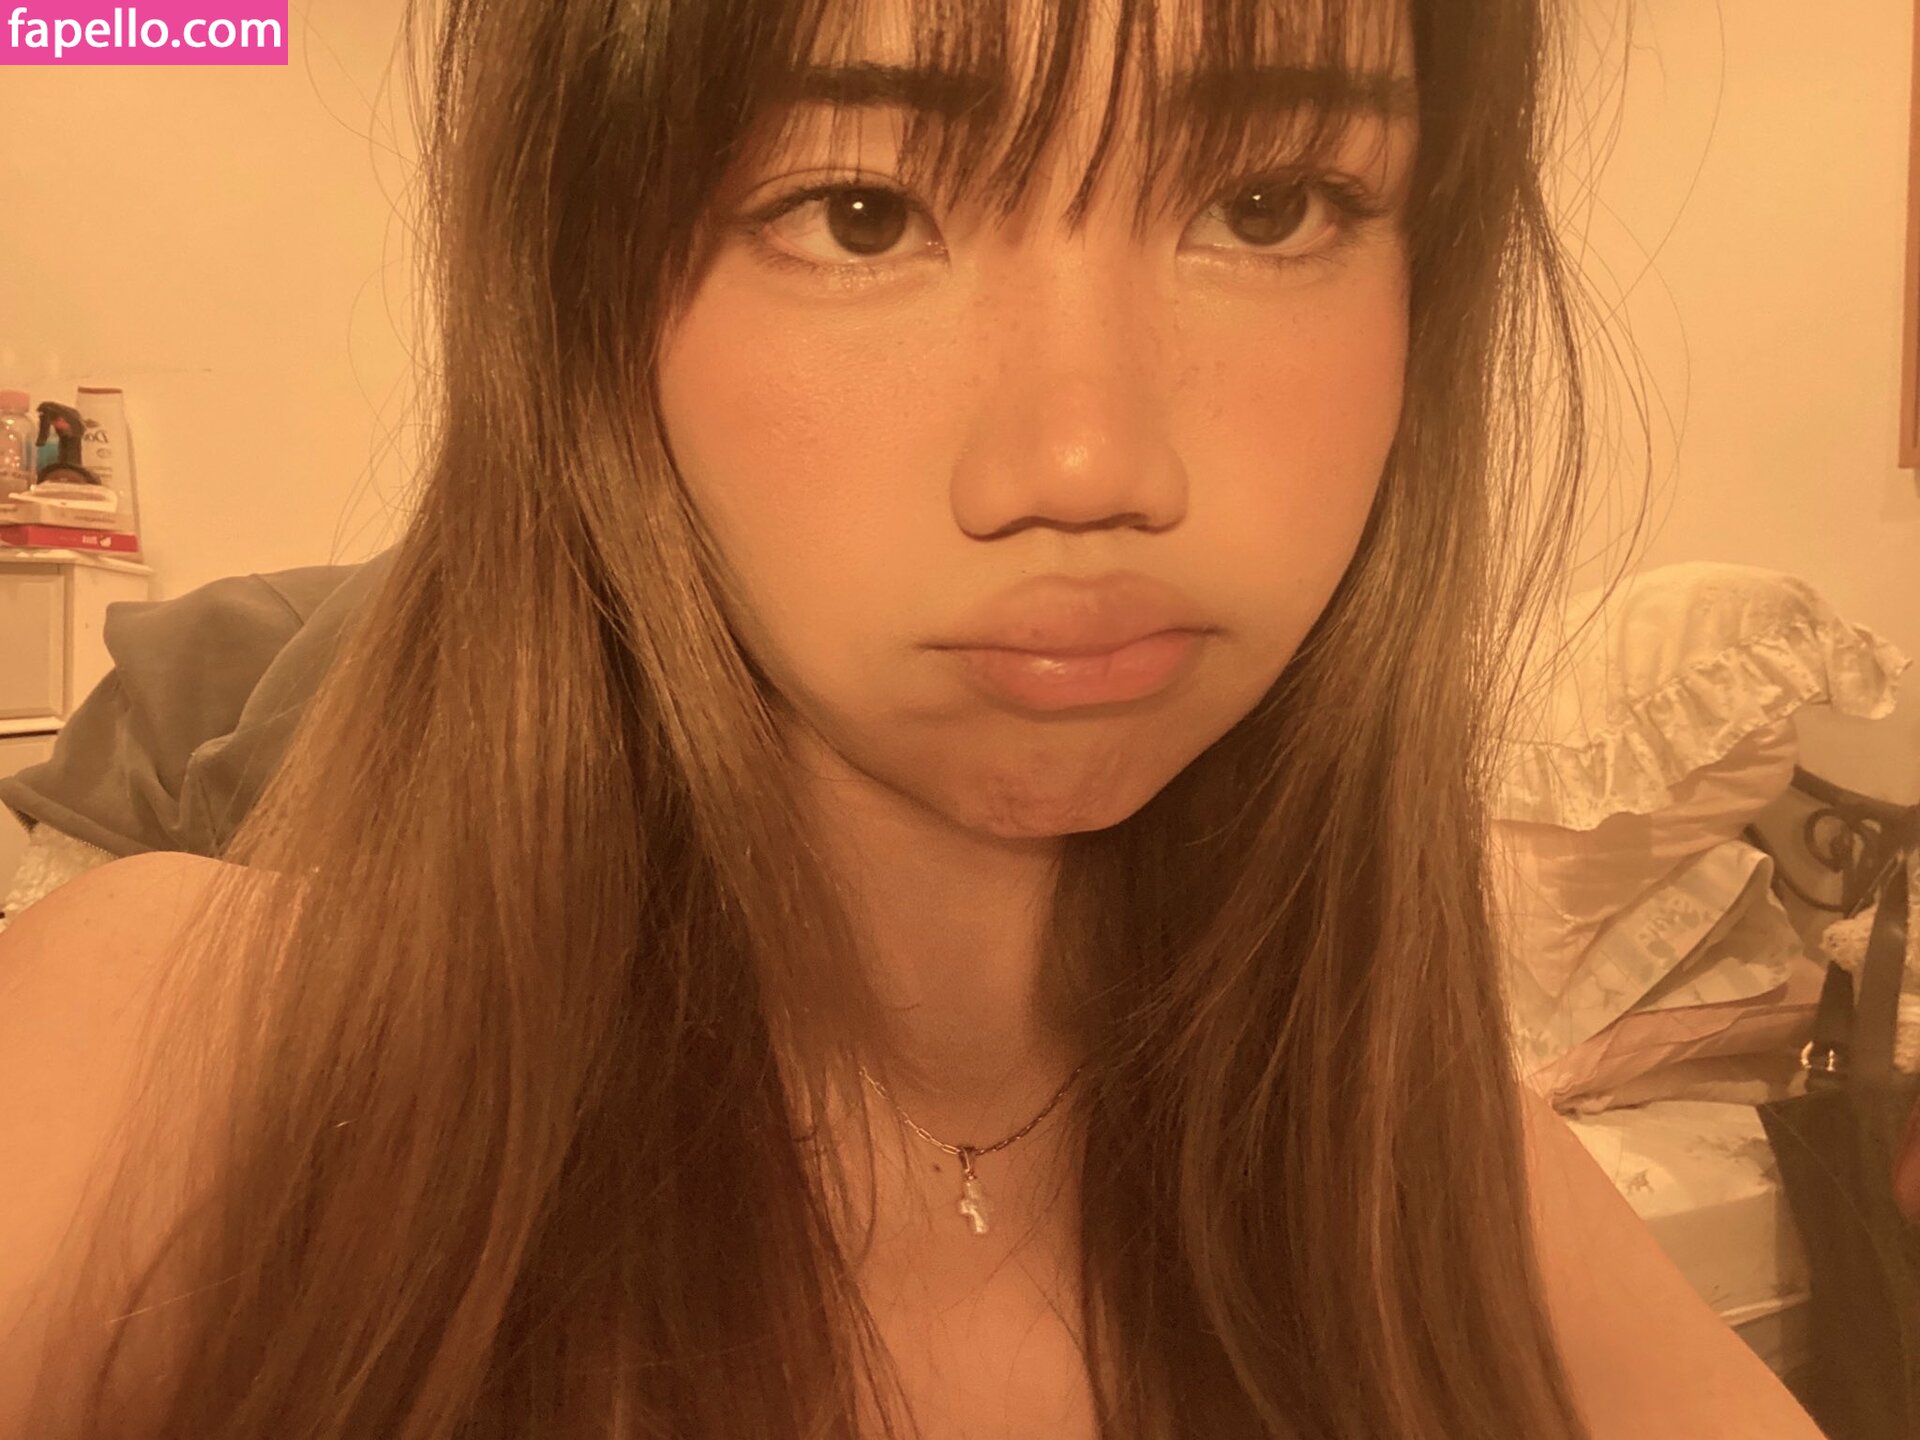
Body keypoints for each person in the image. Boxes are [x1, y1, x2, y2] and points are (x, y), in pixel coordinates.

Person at [0, 0, 1840, 1436]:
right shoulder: (174, 1076)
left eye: (1268, 204)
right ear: (586, 305)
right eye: (863, 211)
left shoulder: (1436, 1181)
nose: (1089, 461)